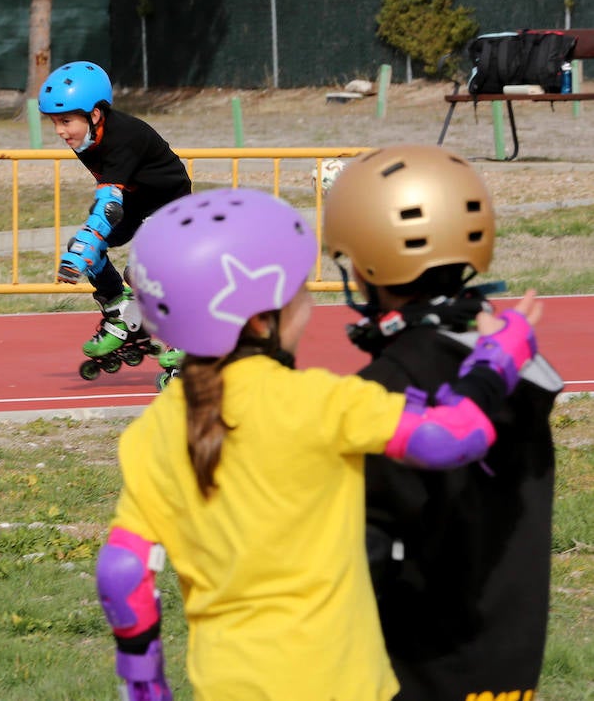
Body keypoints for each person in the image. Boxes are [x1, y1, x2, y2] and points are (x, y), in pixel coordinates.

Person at [95, 186, 541, 700]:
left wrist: (145, 687)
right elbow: (451, 439)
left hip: (226, 684)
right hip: (337, 683)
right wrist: (499, 356)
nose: (308, 304)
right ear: (262, 319)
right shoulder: (318, 403)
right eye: (300, 292)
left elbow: (123, 572)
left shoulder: (151, 433)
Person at [322, 145, 560, 701]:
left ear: (364, 263)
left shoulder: (388, 388)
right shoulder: (512, 369)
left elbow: (363, 558)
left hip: (416, 675)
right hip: (505, 674)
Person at [37, 61, 191, 383]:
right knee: (88, 250)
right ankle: (122, 315)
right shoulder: (86, 138)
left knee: (139, 270)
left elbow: (109, 207)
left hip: (169, 204)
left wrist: (82, 251)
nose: (59, 131)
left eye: (65, 121)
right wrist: (84, 250)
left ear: (95, 114)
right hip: (137, 202)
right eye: (54, 122)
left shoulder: (123, 137)